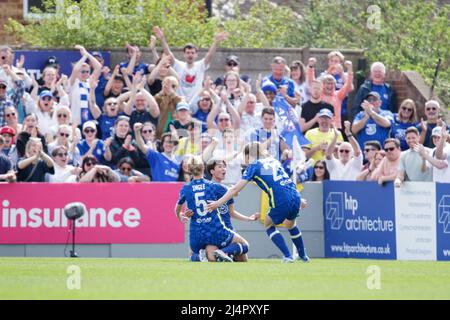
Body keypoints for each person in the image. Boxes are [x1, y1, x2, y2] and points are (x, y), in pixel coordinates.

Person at [206, 142, 309, 263]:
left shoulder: (254, 165)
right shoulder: (273, 161)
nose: (245, 160)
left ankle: (288, 256)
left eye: (245, 157)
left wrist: (217, 203)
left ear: (249, 155)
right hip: (294, 194)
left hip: (281, 198)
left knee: (268, 224)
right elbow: (282, 180)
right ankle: (303, 256)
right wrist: (298, 198)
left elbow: (236, 189)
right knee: (290, 225)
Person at [175, 155, 251, 262]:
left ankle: (201, 257)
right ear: (205, 169)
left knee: (202, 255)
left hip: (198, 232)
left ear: (189, 170)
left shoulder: (186, 188)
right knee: (244, 246)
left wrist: (181, 216)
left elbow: (177, 208)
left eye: (224, 167)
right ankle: (223, 252)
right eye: (220, 167)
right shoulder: (213, 186)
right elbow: (234, 192)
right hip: (216, 230)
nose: (223, 169)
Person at [154, 26, 229, 101]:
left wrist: (216, 42)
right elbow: (168, 53)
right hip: (180, 102)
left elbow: (209, 55)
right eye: (188, 53)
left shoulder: (200, 65)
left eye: (192, 53)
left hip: (196, 103)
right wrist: (162, 39)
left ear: (196, 55)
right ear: (184, 54)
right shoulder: (179, 65)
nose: (190, 55)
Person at [307, 57, 353, 129]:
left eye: (332, 84)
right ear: (323, 85)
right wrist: (310, 67)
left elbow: (348, 85)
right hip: (319, 128)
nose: (330, 86)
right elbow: (312, 82)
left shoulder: (338, 95)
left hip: (335, 128)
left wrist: (350, 69)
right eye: (327, 84)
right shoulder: (319, 94)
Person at [68, 45, 102, 125]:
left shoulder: (89, 82)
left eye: (87, 72)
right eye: (82, 71)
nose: (85, 74)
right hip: (75, 122)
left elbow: (98, 67)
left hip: (89, 122)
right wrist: (84, 57)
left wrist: (87, 54)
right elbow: (76, 69)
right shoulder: (73, 82)